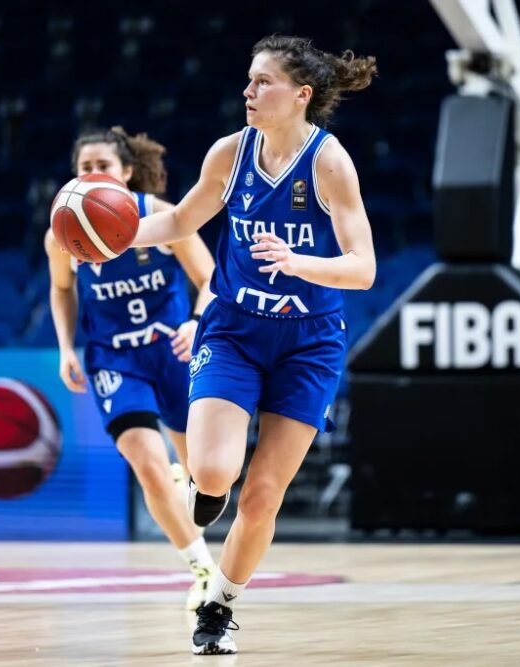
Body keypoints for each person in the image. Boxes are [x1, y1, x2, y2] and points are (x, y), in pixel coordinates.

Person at [131, 35, 377, 654]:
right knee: (216, 472)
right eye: (248, 80)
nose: (248, 91)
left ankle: (219, 604)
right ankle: (203, 485)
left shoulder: (329, 163)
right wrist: (116, 236)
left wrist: (300, 262)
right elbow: (182, 221)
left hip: (309, 342)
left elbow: (363, 268)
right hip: (236, 328)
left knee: (265, 494)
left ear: (302, 95)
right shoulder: (229, 154)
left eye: (262, 82)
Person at [44, 126, 218, 610]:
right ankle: (202, 569)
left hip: (173, 352)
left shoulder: (159, 215)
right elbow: (61, 290)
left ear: (125, 172)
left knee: (211, 475)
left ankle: (190, 479)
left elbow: (209, 278)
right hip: (114, 358)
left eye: (103, 166)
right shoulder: (63, 233)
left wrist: (197, 322)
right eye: (85, 168)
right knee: (146, 461)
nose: (94, 174)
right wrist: (66, 347)